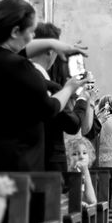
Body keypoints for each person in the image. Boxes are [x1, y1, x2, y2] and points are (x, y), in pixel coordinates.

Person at [0, 0, 88, 171]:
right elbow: (49, 108)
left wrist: (51, 43)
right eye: (31, 32)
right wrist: (69, 88)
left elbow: (15, 50)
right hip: (12, 162)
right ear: (15, 31)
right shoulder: (19, 68)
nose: (33, 37)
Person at [30, 22, 94, 171]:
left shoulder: (18, 74)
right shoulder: (50, 86)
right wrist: (82, 96)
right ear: (51, 52)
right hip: (47, 165)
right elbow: (72, 125)